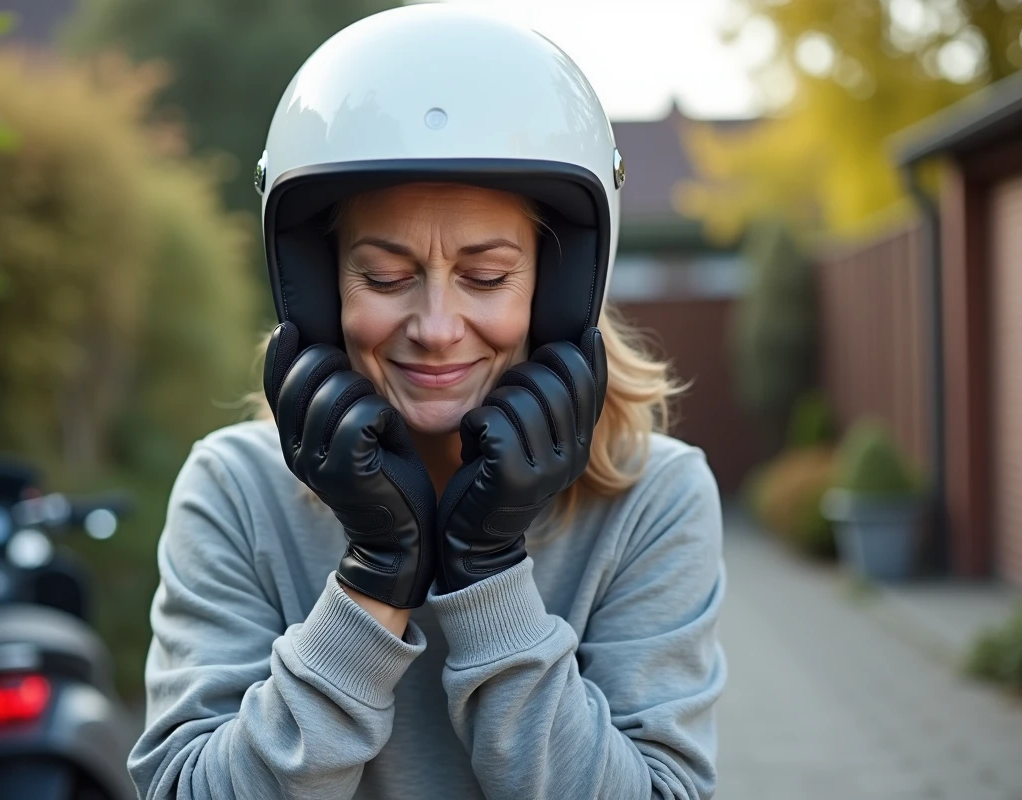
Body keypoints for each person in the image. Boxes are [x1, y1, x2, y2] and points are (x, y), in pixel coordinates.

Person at [128, 5, 726, 799]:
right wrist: (373, 583)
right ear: (315, 285)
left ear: (557, 287)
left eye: (485, 277)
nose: (438, 329)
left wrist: (490, 580)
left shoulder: (657, 498)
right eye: (382, 276)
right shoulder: (234, 489)